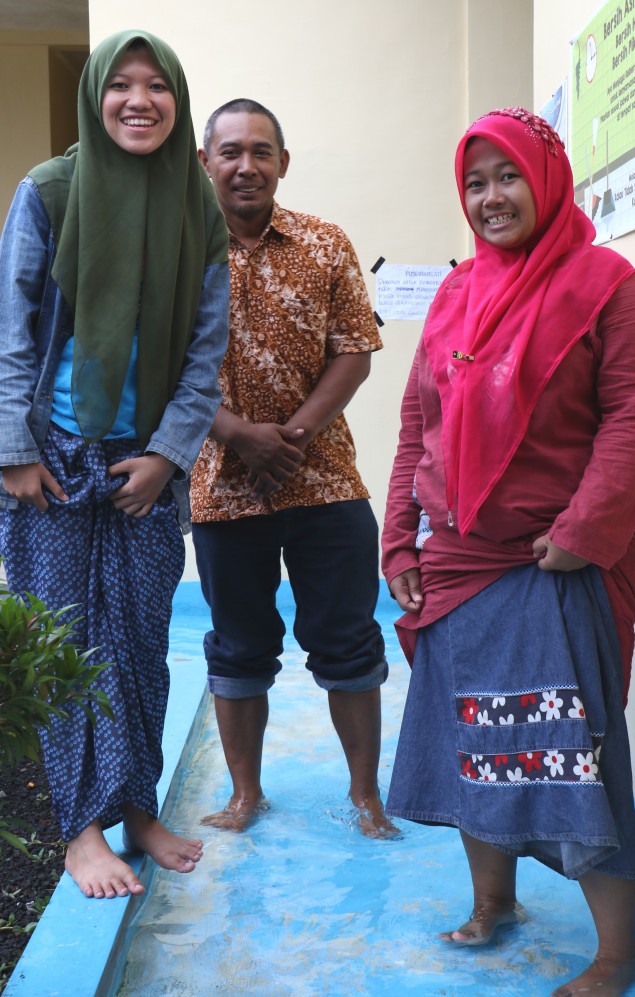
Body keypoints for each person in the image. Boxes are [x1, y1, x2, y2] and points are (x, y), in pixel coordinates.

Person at [381, 108, 635, 996]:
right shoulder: (458, 293)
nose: (491, 197)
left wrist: (584, 532)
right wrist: (398, 537)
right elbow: (415, 424)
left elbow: (633, 415)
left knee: (573, 746)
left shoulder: (607, 284)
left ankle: (617, 948)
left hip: (553, 564)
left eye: (508, 177)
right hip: (457, 559)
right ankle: (492, 898)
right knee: (476, 739)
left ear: (546, 180)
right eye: (475, 181)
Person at [0, 30, 230, 900]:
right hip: (49, 461)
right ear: (95, 96)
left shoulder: (195, 205)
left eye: (157, 85)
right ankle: (80, 829)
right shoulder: (49, 191)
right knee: (65, 642)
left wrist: (169, 455)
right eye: (121, 85)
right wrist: (14, 451)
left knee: (138, 643)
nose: (140, 101)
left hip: (143, 464)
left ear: (177, 98)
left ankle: (136, 806)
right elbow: (11, 331)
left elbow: (206, 352)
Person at [190, 99, 396, 839]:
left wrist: (294, 435)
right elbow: (155, 369)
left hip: (326, 478)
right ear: (206, 159)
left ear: (283, 161)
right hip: (221, 484)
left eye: (262, 151)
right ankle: (247, 794)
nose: (247, 165)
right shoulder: (178, 250)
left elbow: (355, 349)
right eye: (232, 151)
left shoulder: (324, 242)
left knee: (347, 637)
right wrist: (242, 436)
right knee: (238, 645)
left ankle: (366, 793)